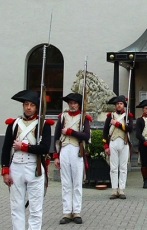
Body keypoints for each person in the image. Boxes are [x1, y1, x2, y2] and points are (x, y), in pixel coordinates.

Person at [1, 90, 53, 230]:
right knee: (16, 207)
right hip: (16, 167)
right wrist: (5, 170)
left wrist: (24, 147)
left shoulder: (44, 125)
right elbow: (6, 148)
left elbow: (44, 148)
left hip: (34, 168)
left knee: (35, 209)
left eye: (31, 105)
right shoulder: (13, 124)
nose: (28, 107)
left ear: (36, 107)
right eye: (26, 104)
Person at [53, 93, 91, 225]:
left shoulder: (83, 118)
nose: (72, 105)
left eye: (74, 103)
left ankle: (77, 211)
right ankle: (67, 211)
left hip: (77, 150)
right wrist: (56, 156)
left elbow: (86, 136)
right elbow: (57, 136)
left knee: (76, 183)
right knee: (66, 183)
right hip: (64, 149)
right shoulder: (62, 117)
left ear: (79, 104)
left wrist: (71, 132)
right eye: (70, 103)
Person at [103, 95, 134, 199]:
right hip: (113, 142)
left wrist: (118, 124)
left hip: (124, 143)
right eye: (117, 104)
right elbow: (105, 132)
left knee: (123, 167)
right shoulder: (110, 116)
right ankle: (114, 189)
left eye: (120, 104)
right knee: (113, 168)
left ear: (123, 105)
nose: (119, 105)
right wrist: (105, 145)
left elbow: (130, 129)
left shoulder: (127, 116)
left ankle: (121, 189)